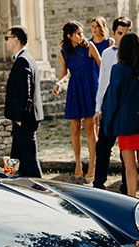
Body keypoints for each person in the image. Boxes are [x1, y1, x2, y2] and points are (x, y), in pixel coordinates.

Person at [102, 33, 139, 200]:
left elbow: (113, 97)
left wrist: (108, 121)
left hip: (125, 120)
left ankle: (132, 198)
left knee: (129, 165)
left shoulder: (118, 69)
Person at [53, 21, 101, 182]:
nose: (82, 35)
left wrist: (104, 90)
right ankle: (78, 164)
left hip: (90, 89)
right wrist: (59, 83)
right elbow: (65, 73)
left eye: (82, 32)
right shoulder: (63, 52)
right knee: (74, 128)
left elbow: (102, 66)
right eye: (78, 33)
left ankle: (93, 166)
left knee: (90, 130)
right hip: (74, 90)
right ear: (69, 36)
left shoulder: (89, 47)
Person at [92, 16, 132, 191]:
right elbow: (103, 82)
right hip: (109, 105)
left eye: (127, 33)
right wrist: (98, 109)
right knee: (103, 146)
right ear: (114, 33)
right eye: (121, 33)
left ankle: (126, 185)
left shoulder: (135, 54)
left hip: (126, 106)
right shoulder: (107, 54)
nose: (123, 37)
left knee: (126, 150)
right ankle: (99, 182)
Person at [3, 26, 44, 178]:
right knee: (16, 155)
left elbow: (24, 92)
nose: (6, 41)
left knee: (30, 160)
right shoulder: (28, 58)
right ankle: (9, 180)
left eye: (7, 38)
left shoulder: (22, 61)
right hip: (24, 118)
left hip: (24, 119)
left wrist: (19, 116)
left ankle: (42, 191)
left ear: (16, 40)